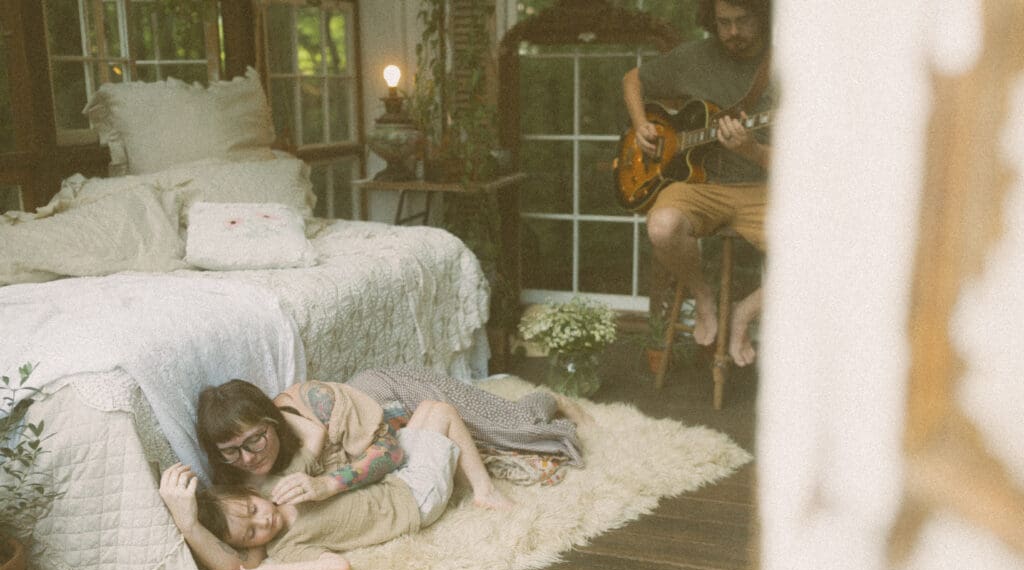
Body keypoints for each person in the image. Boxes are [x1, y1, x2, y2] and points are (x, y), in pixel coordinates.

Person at [160, 400, 514, 570]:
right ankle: (484, 491)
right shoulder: (286, 549)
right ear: (246, 546)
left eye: (254, 510)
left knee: (425, 410)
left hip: (394, 482)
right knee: (442, 412)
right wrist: (188, 525)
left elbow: (315, 436)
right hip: (413, 502)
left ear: (253, 494)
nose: (263, 522)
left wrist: (268, 411)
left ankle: (473, 481)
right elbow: (337, 568)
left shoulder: (283, 488)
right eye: (251, 533)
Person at [196, 366, 587, 508]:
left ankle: (549, 399)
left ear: (271, 421)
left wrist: (327, 482)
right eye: (232, 452)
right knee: (475, 453)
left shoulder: (317, 402)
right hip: (378, 421)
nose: (248, 458)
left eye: (255, 442)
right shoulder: (238, 470)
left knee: (513, 427)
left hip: (393, 395)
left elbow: (388, 450)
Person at [622, 0, 772, 366]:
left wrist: (752, 150)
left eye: (742, 21)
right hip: (700, 186)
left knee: (823, 251)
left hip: (763, 191)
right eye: (724, 23)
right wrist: (642, 124)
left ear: (762, 16)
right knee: (662, 225)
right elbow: (632, 80)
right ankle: (704, 299)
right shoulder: (694, 56)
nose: (732, 32)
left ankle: (744, 313)